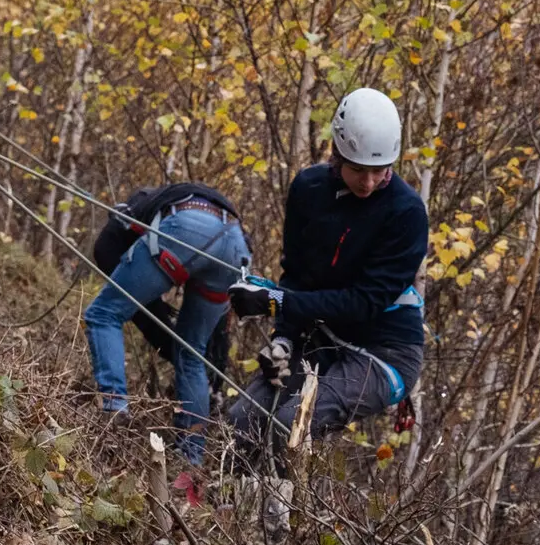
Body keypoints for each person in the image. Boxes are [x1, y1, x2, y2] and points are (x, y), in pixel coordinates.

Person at [226, 87, 427, 480]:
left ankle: (276, 528)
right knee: (244, 419)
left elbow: (362, 302)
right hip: (319, 338)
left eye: (380, 170)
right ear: (337, 154)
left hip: (386, 351)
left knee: (292, 424)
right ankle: (231, 517)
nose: (369, 182)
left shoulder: (406, 213)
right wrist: (283, 338)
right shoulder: (309, 190)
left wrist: (275, 303)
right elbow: (298, 274)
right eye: (358, 169)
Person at [83, 182, 251, 463]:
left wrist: (145, 305)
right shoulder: (182, 200)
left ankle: (114, 410)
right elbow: (219, 332)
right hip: (236, 245)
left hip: (188, 227)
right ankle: (191, 457)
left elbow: (106, 249)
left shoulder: (140, 203)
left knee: (104, 314)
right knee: (192, 354)